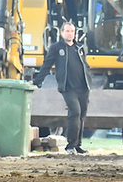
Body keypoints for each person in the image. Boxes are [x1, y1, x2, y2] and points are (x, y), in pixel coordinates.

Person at [32, 21, 92, 155]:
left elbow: (85, 65)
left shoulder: (79, 48)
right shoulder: (56, 48)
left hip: (83, 87)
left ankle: (78, 145)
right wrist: (37, 81)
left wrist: (89, 80)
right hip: (68, 88)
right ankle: (70, 145)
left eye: (72, 31)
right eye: (68, 31)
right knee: (74, 112)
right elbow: (47, 65)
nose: (70, 34)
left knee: (82, 115)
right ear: (62, 32)